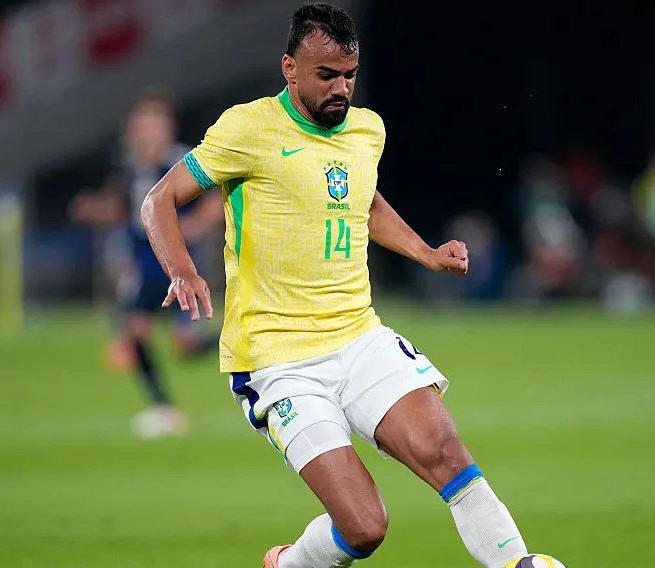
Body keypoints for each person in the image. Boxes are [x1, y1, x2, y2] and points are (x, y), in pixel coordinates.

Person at [141, 4, 536, 567]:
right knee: (365, 527)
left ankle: (520, 562)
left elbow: (363, 201)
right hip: (277, 359)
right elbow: (160, 199)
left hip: (358, 336)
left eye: (349, 75)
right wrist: (182, 269)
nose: (341, 89)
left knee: (446, 453)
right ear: (290, 68)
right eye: (326, 75)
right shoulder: (248, 129)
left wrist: (425, 253)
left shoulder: (366, 130)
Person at [71, 88, 222, 439]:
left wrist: (189, 228)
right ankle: (164, 409)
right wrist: (94, 210)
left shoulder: (183, 160)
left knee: (186, 345)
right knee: (134, 330)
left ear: (168, 127)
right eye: (142, 123)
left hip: (178, 264)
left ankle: (241, 335)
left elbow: (214, 202)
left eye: (154, 123)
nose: (147, 131)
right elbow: (122, 210)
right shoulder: (128, 167)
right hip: (144, 264)